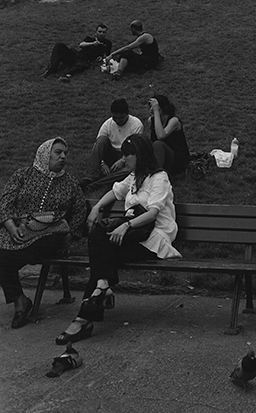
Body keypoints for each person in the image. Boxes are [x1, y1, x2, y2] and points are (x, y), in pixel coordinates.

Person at [56, 135, 181, 344]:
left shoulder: (159, 178)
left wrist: (126, 225)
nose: (123, 160)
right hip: (133, 236)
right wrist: (96, 208)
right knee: (99, 241)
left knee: (101, 255)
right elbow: (115, 191)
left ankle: (84, 317)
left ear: (139, 155)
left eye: (127, 155)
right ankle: (101, 287)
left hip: (152, 239)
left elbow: (152, 213)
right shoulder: (134, 177)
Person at [0, 139, 86, 328]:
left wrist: (70, 236)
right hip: (20, 231)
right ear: (45, 153)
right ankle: (19, 299)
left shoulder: (69, 182)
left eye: (65, 153)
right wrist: (11, 227)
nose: (63, 156)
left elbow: (80, 209)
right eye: (58, 152)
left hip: (51, 236)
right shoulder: (23, 175)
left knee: (16, 252)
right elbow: (5, 202)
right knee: (2, 255)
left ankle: (20, 302)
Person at [84, 99, 145, 186]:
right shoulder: (108, 124)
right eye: (115, 118)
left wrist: (123, 160)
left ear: (127, 114)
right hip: (111, 153)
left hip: (127, 155)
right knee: (102, 139)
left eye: (121, 118)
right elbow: (98, 145)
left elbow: (135, 148)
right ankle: (90, 176)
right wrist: (102, 163)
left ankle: (100, 183)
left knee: (130, 170)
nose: (117, 120)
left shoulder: (136, 125)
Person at [42, 24, 112, 79]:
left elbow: (107, 55)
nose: (101, 34)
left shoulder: (107, 43)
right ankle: (53, 68)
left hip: (86, 60)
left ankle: (67, 75)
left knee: (81, 65)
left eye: (103, 32)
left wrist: (101, 57)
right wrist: (92, 43)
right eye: (99, 32)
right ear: (96, 32)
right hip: (77, 54)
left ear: (106, 33)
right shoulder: (90, 39)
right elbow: (81, 45)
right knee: (59, 45)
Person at [147, 94, 190, 176]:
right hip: (161, 156)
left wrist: (156, 112)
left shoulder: (174, 121)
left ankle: (156, 177)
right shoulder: (151, 121)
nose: (152, 109)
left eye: (155, 107)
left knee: (158, 144)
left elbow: (161, 136)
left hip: (176, 159)